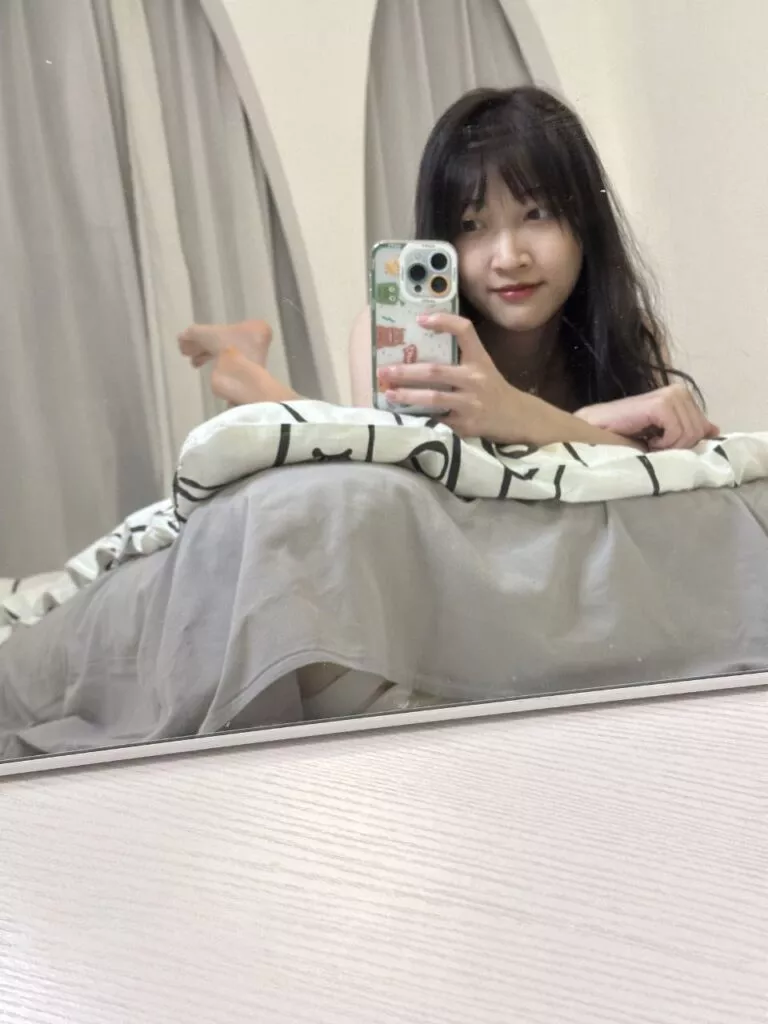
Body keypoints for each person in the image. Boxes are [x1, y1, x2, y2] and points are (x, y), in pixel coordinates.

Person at [179, 86, 718, 451]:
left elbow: (655, 474)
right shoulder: (396, 331)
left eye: (537, 214)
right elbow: (403, 479)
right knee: (327, 442)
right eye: (471, 224)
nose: (509, 257)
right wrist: (570, 424)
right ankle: (240, 365)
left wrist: (547, 422)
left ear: (587, 223)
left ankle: (243, 359)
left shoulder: (624, 331)